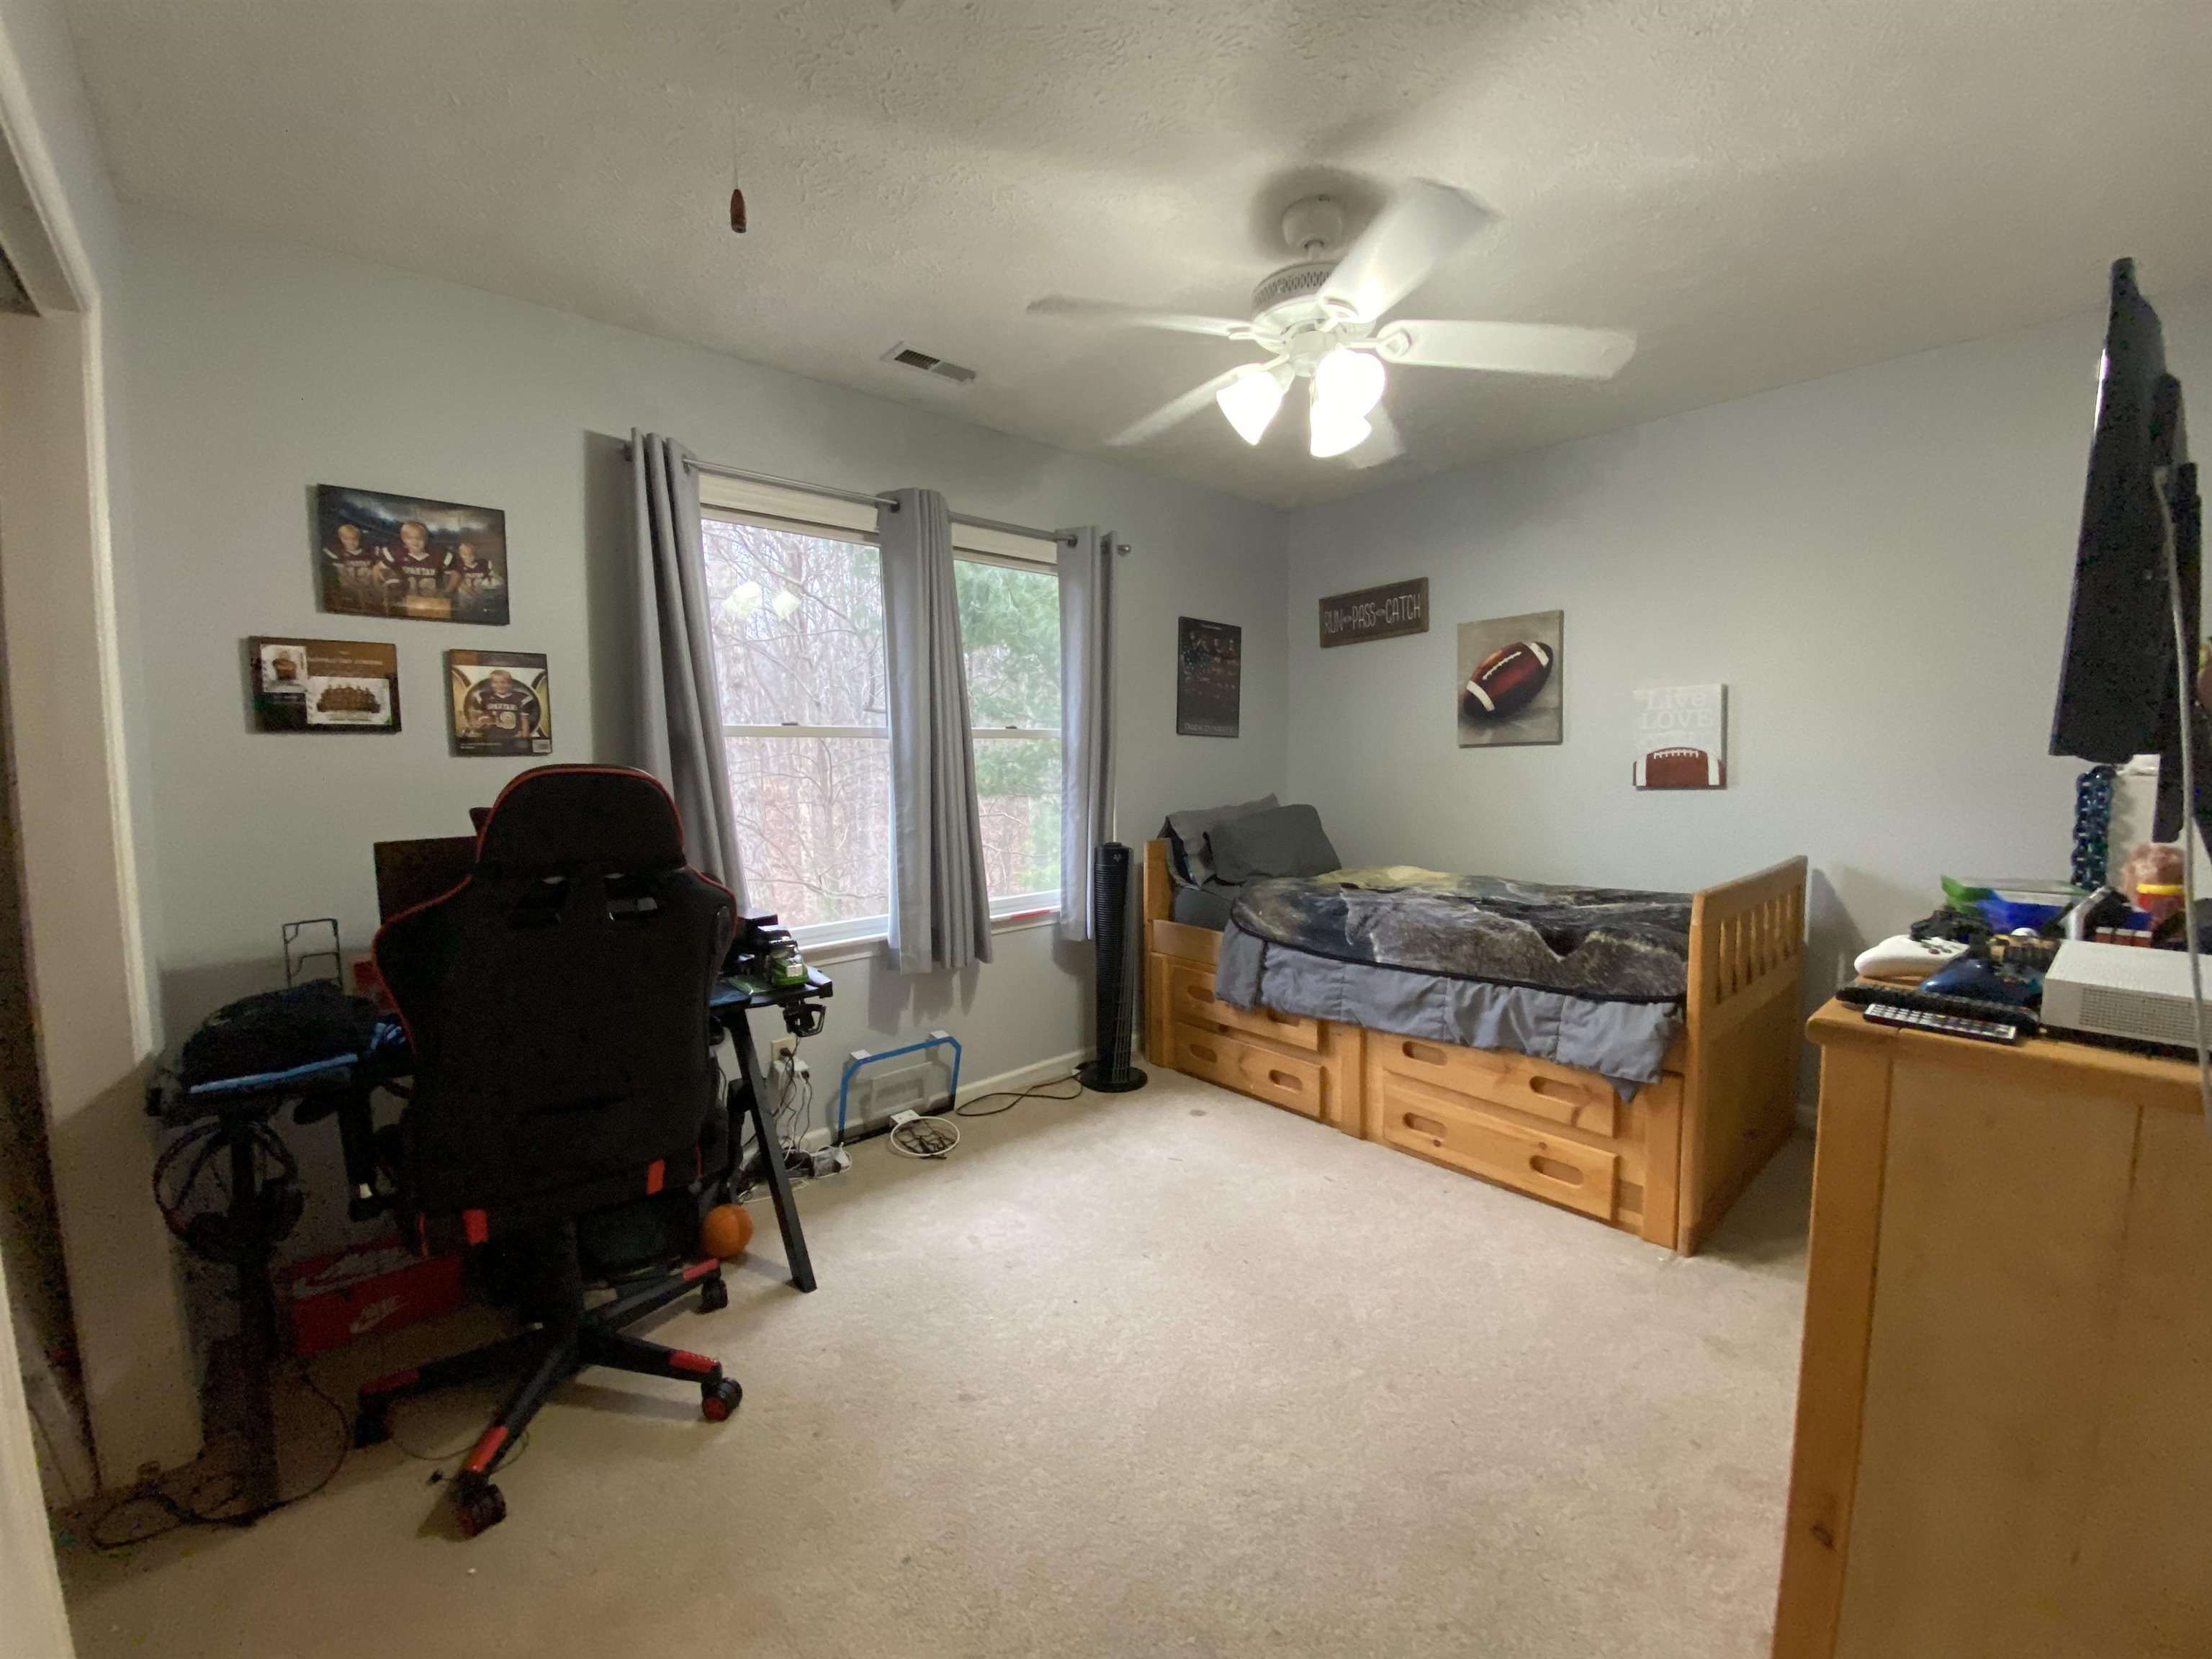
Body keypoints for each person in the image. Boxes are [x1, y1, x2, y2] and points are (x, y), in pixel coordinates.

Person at [379, 519, 457, 603]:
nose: (415, 542)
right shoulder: (397, 553)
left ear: (426, 539)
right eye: (410, 538)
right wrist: (380, 590)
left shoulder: (438, 554)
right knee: (411, 583)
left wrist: (446, 592)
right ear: (403, 540)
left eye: (419, 538)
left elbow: (455, 575)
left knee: (427, 582)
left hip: (432, 598)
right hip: (406, 598)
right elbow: (377, 570)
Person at [464, 666, 541, 745]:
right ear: (491, 684)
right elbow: (476, 718)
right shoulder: (484, 697)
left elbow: (524, 720)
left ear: (510, 684)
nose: (499, 685)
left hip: (513, 737)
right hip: (490, 739)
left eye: (503, 682)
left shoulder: (520, 698)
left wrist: (526, 739)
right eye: (495, 682)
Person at [320, 521, 383, 609]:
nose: (351, 542)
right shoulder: (338, 552)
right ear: (341, 539)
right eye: (347, 539)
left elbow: (377, 568)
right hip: (345, 585)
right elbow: (343, 574)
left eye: (354, 539)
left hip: (369, 585)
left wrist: (376, 587)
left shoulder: (369, 552)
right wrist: (359, 588)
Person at [451, 539, 505, 617]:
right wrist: (480, 598)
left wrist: (500, 584)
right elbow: (463, 586)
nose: (468, 556)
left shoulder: (483, 564)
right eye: (465, 554)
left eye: (471, 554)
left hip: (482, 599)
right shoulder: (458, 566)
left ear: (475, 554)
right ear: (460, 554)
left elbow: (498, 579)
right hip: (466, 601)